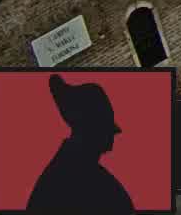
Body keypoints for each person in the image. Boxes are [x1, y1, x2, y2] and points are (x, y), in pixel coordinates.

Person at [26, 74, 134, 214]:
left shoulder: (70, 170)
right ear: (92, 129)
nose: (112, 138)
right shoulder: (72, 178)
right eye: (105, 128)